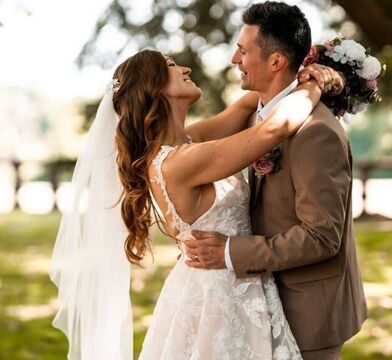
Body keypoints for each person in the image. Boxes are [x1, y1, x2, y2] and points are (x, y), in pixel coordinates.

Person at [49, 47, 343, 359]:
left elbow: (247, 105)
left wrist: (297, 73)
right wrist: (314, 84)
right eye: (172, 66)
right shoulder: (178, 162)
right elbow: (275, 129)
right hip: (221, 296)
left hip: (225, 282)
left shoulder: (187, 141)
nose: (185, 69)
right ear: (154, 87)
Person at [185, 2, 368, 360]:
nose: (234, 59)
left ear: (275, 61)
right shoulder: (259, 112)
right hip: (264, 300)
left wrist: (227, 251)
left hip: (309, 311)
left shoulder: (316, 132)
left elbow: (321, 237)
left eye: (242, 50)